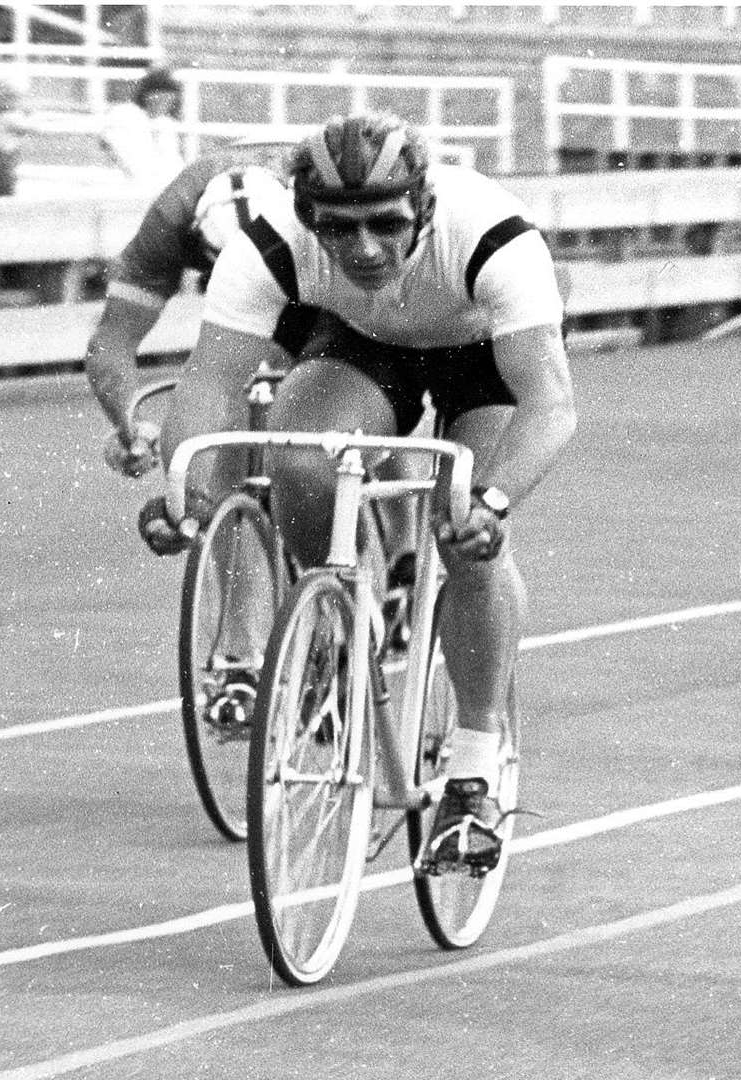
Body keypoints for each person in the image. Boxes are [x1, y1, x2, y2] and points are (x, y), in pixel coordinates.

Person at [146, 112, 577, 872]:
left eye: (387, 224)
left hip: (483, 355)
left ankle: (475, 761)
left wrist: (494, 503)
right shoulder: (270, 245)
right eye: (340, 231)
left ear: (426, 210)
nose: (366, 248)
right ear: (308, 218)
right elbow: (211, 383)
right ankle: (343, 621)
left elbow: (549, 405)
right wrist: (186, 493)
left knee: (460, 527)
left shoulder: (495, 237)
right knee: (302, 457)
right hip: (366, 342)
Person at [85, 142, 303, 477]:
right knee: (231, 376)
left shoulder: (309, 205)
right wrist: (130, 426)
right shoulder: (167, 224)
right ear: (196, 240)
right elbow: (112, 341)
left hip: (304, 258)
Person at [100, 66, 186, 190]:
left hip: (155, 185)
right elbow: (128, 160)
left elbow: (174, 164)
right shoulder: (125, 114)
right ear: (147, 96)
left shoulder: (165, 124)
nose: (164, 104)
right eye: (159, 97)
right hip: (124, 184)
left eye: (168, 100)